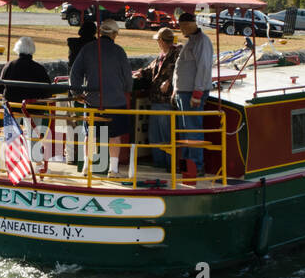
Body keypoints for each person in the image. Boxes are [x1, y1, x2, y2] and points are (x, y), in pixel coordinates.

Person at [68, 19, 132, 177]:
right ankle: (114, 169)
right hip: (116, 101)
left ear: (100, 33)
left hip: (92, 100)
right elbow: (128, 78)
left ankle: (87, 167)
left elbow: (74, 73)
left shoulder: (88, 49)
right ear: (115, 34)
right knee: (115, 136)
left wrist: (77, 93)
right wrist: (126, 90)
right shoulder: (119, 51)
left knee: (90, 134)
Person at [171, 11, 214, 176]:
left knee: (193, 130)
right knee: (185, 131)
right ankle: (187, 164)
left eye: (182, 27)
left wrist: (197, 93)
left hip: (192, 94)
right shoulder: (191, 42)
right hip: (184, 92)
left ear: (189, 25)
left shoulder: (202, 42)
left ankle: (196, 165)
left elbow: (203, 68)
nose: (181, 30)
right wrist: (176, 88)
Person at [132, 27, 180, 169]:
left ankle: (170, 165)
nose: (158, 43)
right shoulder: (161, 56)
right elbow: (150, 68)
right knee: (155, 135)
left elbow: (181, 71)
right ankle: (159, 163)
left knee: (167, 135)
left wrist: (170, 82)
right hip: (156, 101)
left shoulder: (177, 54)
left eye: (158, 40)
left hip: (166, 101)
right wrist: (141, 73)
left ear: (161, 41)